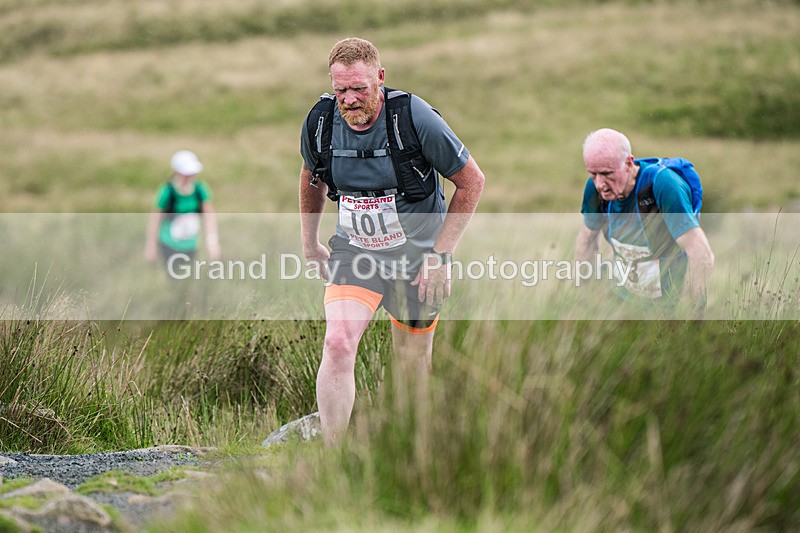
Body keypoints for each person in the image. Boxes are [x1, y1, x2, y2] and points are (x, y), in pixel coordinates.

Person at [299, 37, 485, 446]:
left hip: (418, 257)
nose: (349, 100)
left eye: (359, 89)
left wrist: (441, 256)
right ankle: (333, 461)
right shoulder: (320, 122)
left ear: (379, 79)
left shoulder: (415, 118)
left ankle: (413, 454)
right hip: (356, 252)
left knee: (413, 364)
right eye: (340, 90)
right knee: (337, 342)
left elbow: (471, 181)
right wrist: (310, 243)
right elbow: (313, 176)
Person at [575, 128, 714, 313]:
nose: (600, 184)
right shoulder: (594, 189)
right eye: (593, 174)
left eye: (608, 174)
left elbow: (701, 253)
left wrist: (695, 312)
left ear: (629, 163)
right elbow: (586, 241)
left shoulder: (663, 184)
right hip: (622, 301)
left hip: (669, 308)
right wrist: (585, 300)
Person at [144, 149, 221, 274]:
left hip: (191, 245)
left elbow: (209, 217)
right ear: (177, 172)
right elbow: (155, 219)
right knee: (174, 277)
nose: (190, 176)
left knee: (188, 277)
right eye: (186, 173)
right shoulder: (167, 192)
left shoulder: (200, 190)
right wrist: (151, 245)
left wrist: (212, 242)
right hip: (169, 244)